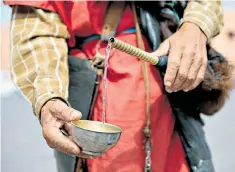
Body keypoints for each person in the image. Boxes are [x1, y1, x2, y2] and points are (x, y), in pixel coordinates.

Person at [4, 1, 224, 172]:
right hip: (93, 104)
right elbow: (37, 30)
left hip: (172, 110)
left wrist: (195, 27)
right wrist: (49, 97)